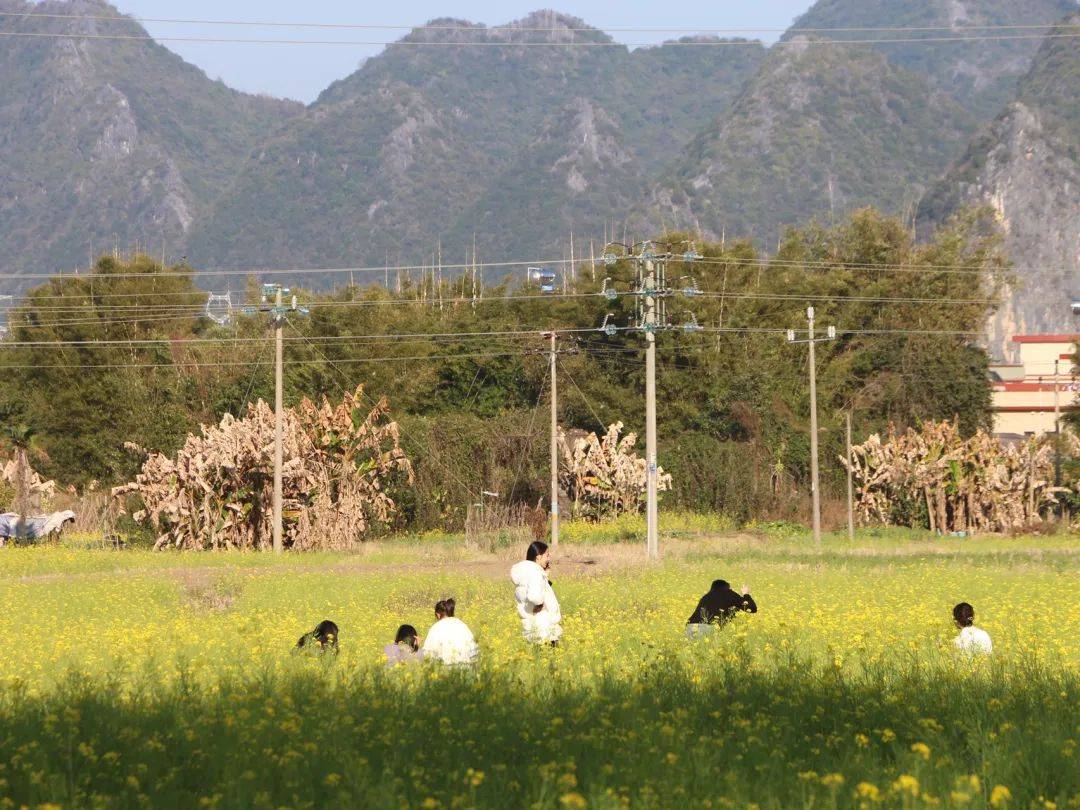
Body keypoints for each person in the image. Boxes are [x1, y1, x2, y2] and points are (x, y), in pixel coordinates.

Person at [510, 540, 563, 645]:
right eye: (547, 556)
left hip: (534, 626)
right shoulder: (535, 573)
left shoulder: (528, 572)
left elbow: (535, 587)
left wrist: (545, 576)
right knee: (549, 657)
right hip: (544, 627)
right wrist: (540, 604)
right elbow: (534, 595)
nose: (548, 559)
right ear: (538, 557)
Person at [686, 580, 757, 636]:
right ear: (727, 587)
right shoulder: (728, 593)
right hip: (708, 627)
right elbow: (752, 608)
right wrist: (746, 594)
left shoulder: (706, 596)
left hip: (690, 627)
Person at [421, 598, 479, 665]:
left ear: (438, 614)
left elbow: (428, 654)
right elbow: (474, 651)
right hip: (466, 670)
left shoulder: (435, 628)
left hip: (444, 671)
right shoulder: (463, 626)